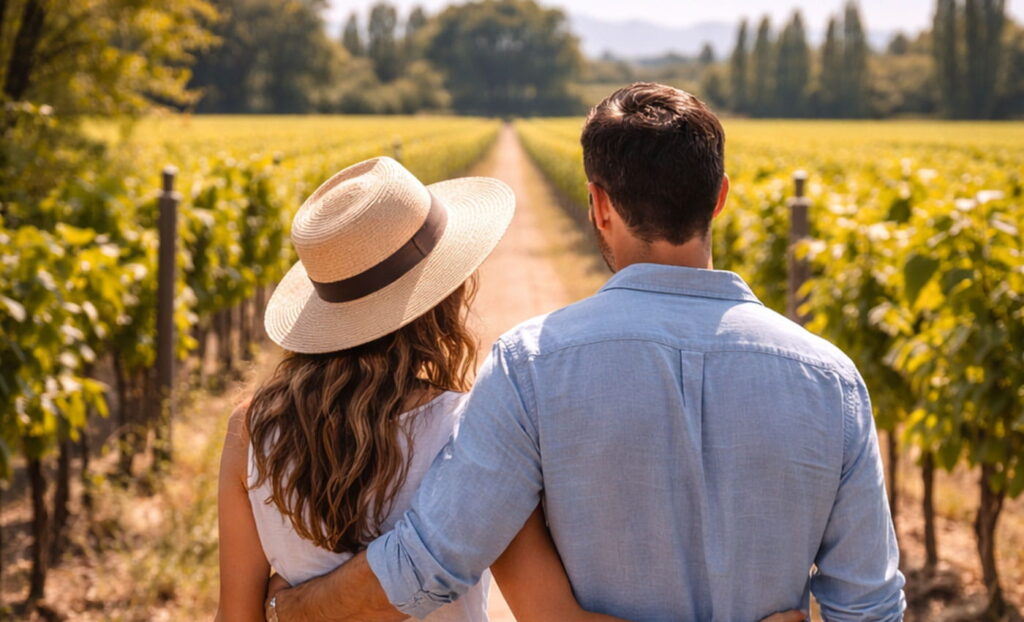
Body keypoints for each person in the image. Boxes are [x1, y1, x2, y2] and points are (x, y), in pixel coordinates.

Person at [269, 83, 907, 621]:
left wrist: (293, 610)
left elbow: (434, 557)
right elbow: (871, 606)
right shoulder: (832, 381)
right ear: (719, 198)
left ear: (599, 205)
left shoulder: (532, 366)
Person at [215, 156, 642, 622]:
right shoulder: (469, 426)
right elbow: (550, 615)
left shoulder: (253, 430)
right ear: (442, 297)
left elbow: (237, 616)